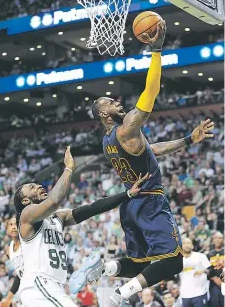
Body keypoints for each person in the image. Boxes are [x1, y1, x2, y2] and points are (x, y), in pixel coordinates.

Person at [70, 18, 215, 306]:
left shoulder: (111, 139)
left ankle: (104, 270)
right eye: (111, 103)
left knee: (144, 263)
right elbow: (151, 92)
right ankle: (118, 296)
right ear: (104, 115)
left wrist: (189, 140)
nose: (118, 103)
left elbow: (154, 149)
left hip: (131, 204)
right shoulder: (127, 128)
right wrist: (157, 51)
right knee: (173, 263)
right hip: (149, 201)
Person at [13, 146, 149, 307]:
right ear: (25, 201)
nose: (38, 186)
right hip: (39, 284)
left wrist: (127, 194)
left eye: (36, 184)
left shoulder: (58, 217)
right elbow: (56, 200)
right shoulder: (26, 215)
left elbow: (92, 209)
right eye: (32, 187)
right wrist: (69, 168)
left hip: (53, 287)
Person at [0, 218, 24, 307]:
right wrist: (8, 299)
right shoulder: (9, 250)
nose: (14, 227)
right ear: (7, 230)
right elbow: (20, 275)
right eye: (11, 224)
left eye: (16, 224)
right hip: (25, 288)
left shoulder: (27, 243)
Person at [179, 238, 211, 307]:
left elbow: (210, 270)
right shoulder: (178, 260)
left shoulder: (200, 256)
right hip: (185, 294)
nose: (186, 245)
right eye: (184, 243)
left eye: (188, 243)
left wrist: (203, 270)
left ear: (192, 245)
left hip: (200, 293)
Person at [207, 232, 224, 307]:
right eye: (216, 238)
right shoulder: (209, 254)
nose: (217, 240)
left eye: (220, 238)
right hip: (214, 284)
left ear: (223, 240)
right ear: (213, 240)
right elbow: (207, 270)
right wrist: (213, 278)